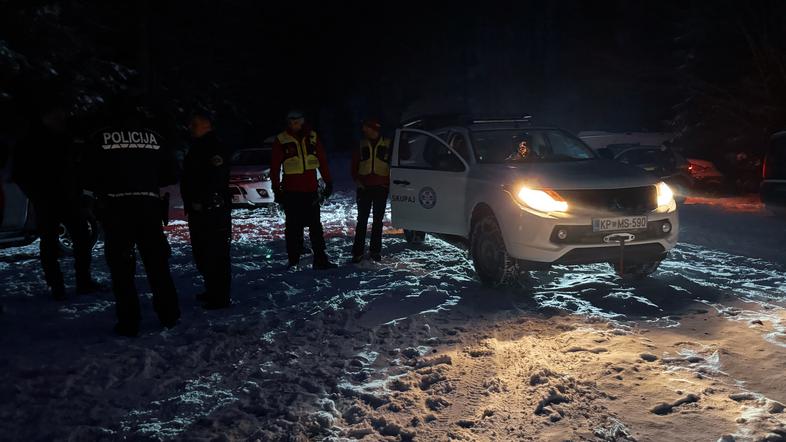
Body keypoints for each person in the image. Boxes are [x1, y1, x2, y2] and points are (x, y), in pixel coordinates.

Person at [83, 97, 180, 337]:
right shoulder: (154, 138)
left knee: (122, 269)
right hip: (148, 208)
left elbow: (86, 175)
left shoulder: (99, 138)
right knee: (157, 264)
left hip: (116, 210)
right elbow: (171, 174)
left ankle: (129, 321)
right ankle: (169, 314)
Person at [12, 101, 100, 300]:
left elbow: (74, 169)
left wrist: (79, 192)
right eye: (58, 115)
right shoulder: (32, 141)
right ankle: (59, 285)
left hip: (66, 198)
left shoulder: (64, 139)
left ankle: (78, 282)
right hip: (49, 199)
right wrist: (36, 195)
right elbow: (21, 174)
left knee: (78, 240)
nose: (62, 119)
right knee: (52, 243)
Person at [270, 110, 336, 270]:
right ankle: (293, 259)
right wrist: (277, 189)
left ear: (303, 121)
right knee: (293, 227)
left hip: (311, 190)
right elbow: (274, 167)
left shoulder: (312, 137)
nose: (295, 125)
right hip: (291, 191)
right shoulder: (281, 140)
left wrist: (328, 182)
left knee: (315, 226)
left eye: (297, 122)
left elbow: (322, 160)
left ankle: (320, 259)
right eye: (291, 122)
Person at [181, 112, 232, 310]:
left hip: (212, 210)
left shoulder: (213, 147)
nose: (191, 128)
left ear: (206, 125)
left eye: (195, 124)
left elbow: (216, 177)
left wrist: (206, 201)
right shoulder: (199, 147)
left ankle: (220, 296)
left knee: (216, 253)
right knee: (203, 252)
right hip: (201, 209)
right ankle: (212, 289)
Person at [350, 119, 391, 263]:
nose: (364, 130)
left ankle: (375, 251)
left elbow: (394, 163)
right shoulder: (361, 145)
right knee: (361, 220)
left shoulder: (388, 144)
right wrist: (357, 180)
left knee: (377, 221)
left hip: (381, 188)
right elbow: (354, 165)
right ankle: (358, 252)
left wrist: (389, 183)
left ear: (374, 129)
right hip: (364, 188)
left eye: (367, 128)